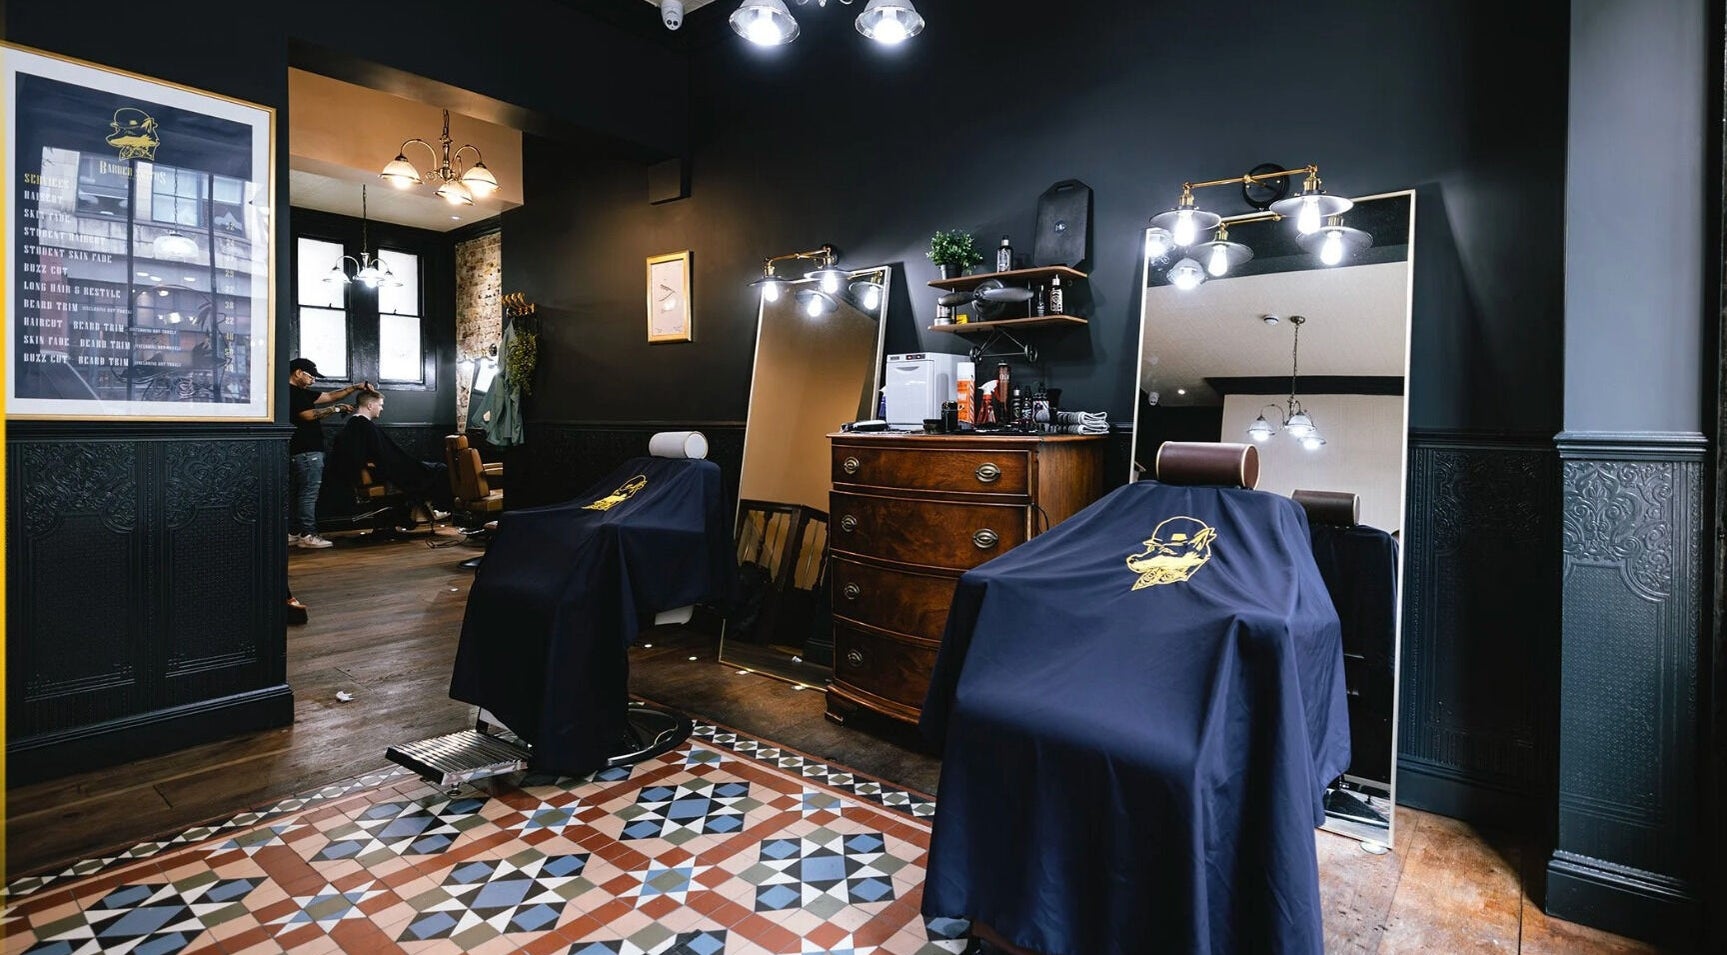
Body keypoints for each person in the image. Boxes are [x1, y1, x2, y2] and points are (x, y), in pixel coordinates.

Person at [328, 389, 453, 525]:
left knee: (430, 468)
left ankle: (424, 510)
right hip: (386, 471)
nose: (381, 408)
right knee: (440, 469)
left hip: (380, 469)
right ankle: (439, 508)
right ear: (370, 405)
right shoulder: (364, 426)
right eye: (380, 405)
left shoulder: (355, 425)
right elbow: (386, 457)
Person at [288, 358, 371, 548]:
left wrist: (356, 387)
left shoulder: (301, 393)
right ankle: (308, 535)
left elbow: (331, 396)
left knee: (299, 493)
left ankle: (294, 531)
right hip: (307, 451)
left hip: (303, 451)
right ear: (298, 373)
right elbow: (307, 415)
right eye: (311, 376)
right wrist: (336, 409)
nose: (313, 381)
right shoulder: (292, 393)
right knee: (309, 493)